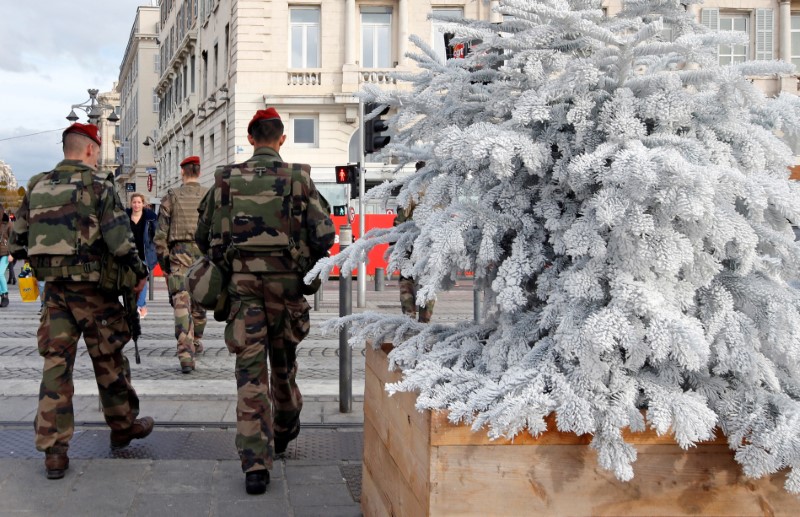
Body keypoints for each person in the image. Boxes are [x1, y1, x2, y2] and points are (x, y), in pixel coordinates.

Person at [196, 108, 334, 495]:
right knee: (284, 367)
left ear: (251, 138)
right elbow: (325, 234)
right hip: (287, 293)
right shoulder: (299, 178)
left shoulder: (224, 180)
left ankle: (255, 465)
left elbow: (202, 236)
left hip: (243, 296)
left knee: (249, 375)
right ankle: (286, 428)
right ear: (281, 140)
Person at [8, 122, 154, 480]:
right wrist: (139, 273)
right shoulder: (98, 186)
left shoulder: (38, 185)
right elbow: (121, 242)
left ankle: (54, 452)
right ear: (91, 149)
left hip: (55, 295)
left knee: (56, 369)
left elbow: (16, 243)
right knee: (109, 361)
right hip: (95, 293)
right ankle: (122, 427)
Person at [154, 155, 209, 373]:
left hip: (179, 256)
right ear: (199, 172)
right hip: (204, 257)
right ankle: (196, 340)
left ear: (182, 173)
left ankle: (185, 353)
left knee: (181, 303)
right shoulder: (209, 196)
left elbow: (160, 237)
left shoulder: (171, 197)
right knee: (200, 303)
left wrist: (165, 264)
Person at [395, 161, 435, 322]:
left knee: (406, 281)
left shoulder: (410, 190)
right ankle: (425, 319)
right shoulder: (437, 190)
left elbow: (400, 220)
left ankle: (409, 317)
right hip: (432, 243)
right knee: (428, 282)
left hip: (411, 242)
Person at [126, 193, 157, 319]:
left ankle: (138, 306)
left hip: (145, 254)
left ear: (143, 204)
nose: (136, 205)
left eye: (139, 202)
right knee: (130, 281)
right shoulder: (125, 217)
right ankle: (140, 305)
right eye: (134, 202)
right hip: (129, 255)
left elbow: (157, 234)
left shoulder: (150, 217)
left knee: (142, 280)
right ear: (131, 203)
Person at [0, 205, 11, 307]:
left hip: (5, 253)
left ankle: (5, 295)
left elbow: (13, 239)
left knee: (0, 274)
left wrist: (12, 254)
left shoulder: (8, 224)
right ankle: (1, 295)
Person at [6, 212, 16, 286]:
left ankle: (13, 279)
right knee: (10, 265)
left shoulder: (8, 225)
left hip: (9, 248)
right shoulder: (12, 225)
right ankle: (11, 279)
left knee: (10, 265)